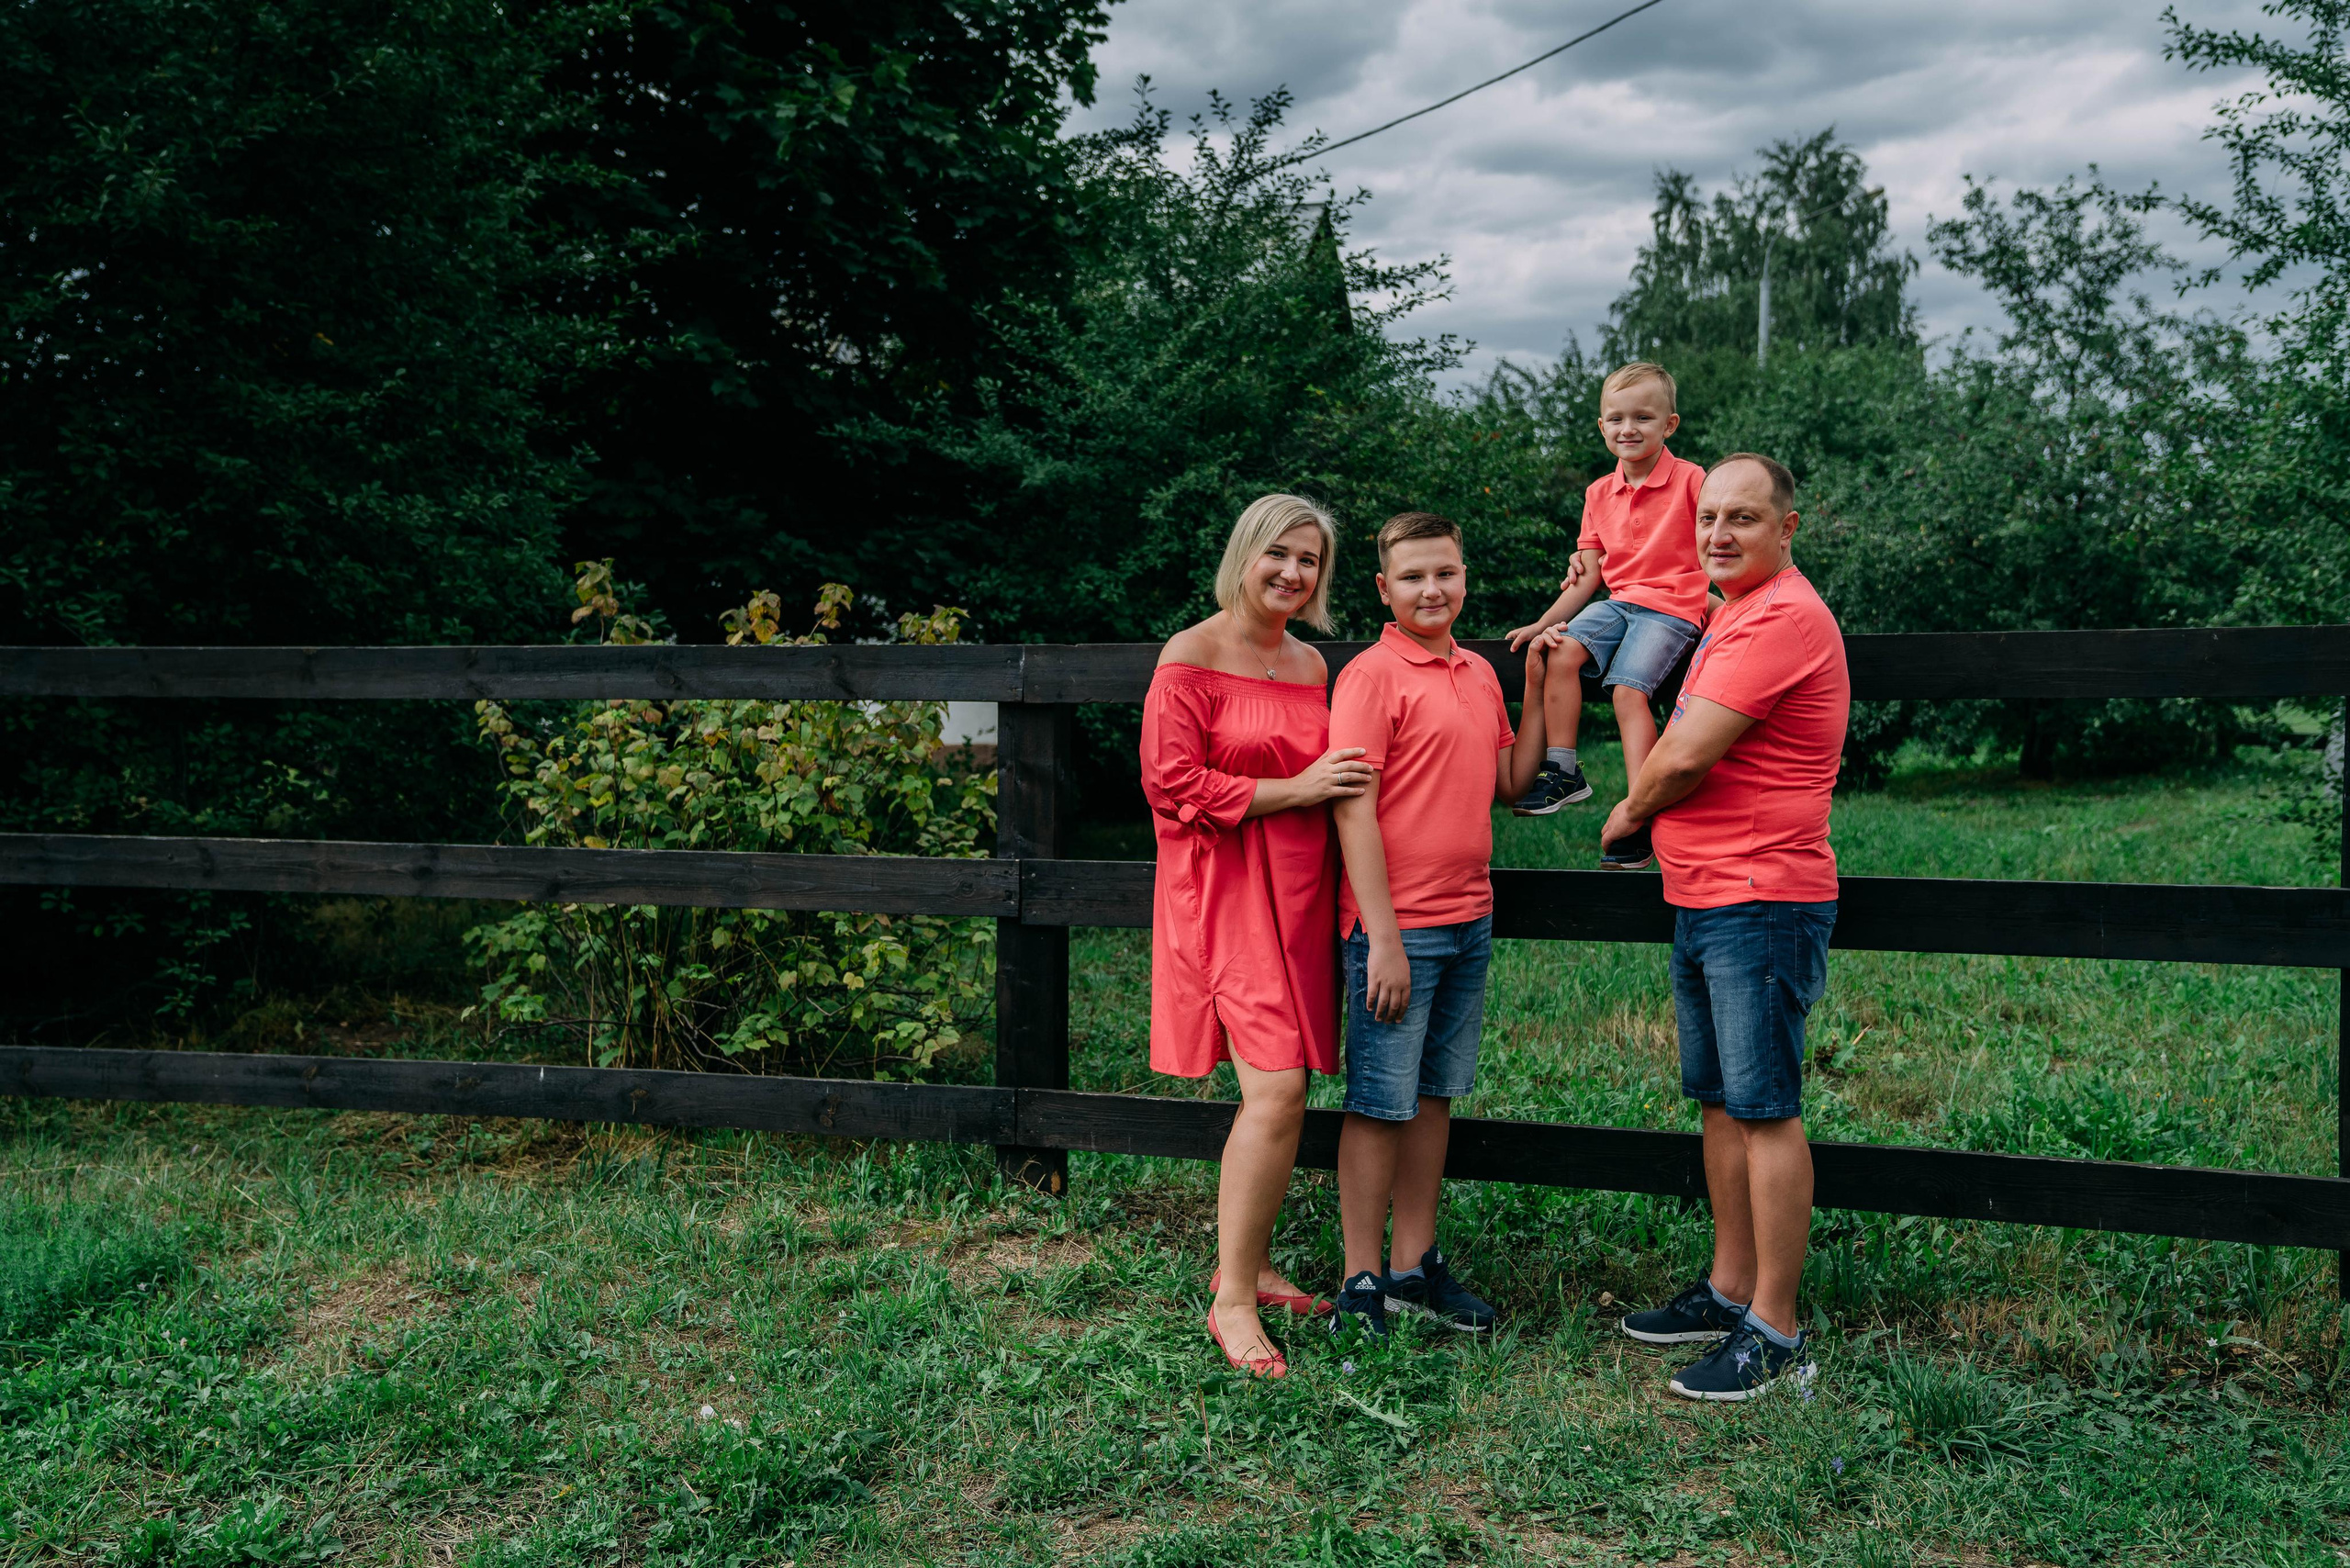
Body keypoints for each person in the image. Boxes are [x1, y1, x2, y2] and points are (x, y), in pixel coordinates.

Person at [1599, 454, 1850, 1401]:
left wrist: (1627, 814)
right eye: (1707, 516)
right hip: (1706, 893)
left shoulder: (1782, 617)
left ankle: (1775, 1330)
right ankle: (1728, 1288)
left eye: (1742, 517)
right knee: (1718, 1100)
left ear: (1788, 527)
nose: (1717, 533)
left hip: (1761, 895)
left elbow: (1682, 758)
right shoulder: (1733, 612)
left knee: (1764, 1108)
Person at [1142, 493, 1373, 1380]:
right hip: (1224, 889)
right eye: (1279, 552)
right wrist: (1298, 790)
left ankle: (1254, 1265)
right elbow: (1171, 785)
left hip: (1303, 892)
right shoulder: (1190, 655)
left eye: (1310, 560)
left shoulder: (1313, 663)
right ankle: (1232, 1300)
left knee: (1289, 1089)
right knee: (1275, 1089)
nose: (1293, 571)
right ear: (1244, 554)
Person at [1326, 511, 1556, 1340]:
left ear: (1464, 578)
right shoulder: (1371, 677)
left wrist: (1538, 686)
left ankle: (1413, 1267)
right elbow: (1352, 811)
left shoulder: (1478, 674)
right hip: (1398, 930)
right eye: (1413, 576)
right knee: (1378, 1104)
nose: (1432, 589)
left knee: (1433, 1099)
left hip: (1469, 919)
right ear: (1383, 589)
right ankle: (1360, 1281)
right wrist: (1383, 936)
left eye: (1445, 573)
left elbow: (1512, 781)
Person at [1505, 362, 1709, 857]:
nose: (1628, 429)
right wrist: (1542, 623)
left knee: (1626, 691)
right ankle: (1563, 770)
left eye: (1643, 417)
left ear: (1669, 425)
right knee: (1560, 651)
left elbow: (1717, 544)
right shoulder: (1598, 492)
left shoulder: (1692, 479)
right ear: (1602, 426)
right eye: (1616, 419)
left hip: (1672, 608)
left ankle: (1640, 809)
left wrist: (1724, 605)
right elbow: (1589, 574)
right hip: (1619, 603)